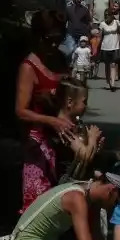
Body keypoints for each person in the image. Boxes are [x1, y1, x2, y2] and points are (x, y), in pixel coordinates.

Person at [21, 77, 102, 212]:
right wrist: (93, 139)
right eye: (84, 102)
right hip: (65, 187)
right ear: (70, 102)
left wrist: (95, 148)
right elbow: (84, 155)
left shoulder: (68, 124)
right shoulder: (64, 127)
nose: (86, 106)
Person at [15, 10, 72, 136]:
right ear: (38, 37)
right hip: (39, 138)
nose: (54, 44)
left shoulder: (60, 58)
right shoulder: (28, 67)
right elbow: (21, 111)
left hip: (62, 132)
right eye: (49, 39)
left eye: (58, 39)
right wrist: (52, 121)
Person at [99, 9, 120, 91]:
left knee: (113, 64)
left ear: (111, 15)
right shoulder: (102, 24)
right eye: (105, 14)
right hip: (105, 47)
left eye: (108, 14)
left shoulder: (116, 22)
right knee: (107, 65)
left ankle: (112, 83)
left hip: (115, 46)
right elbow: (100, 37)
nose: (106, 16)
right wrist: (97, 48)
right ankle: (107, 82)